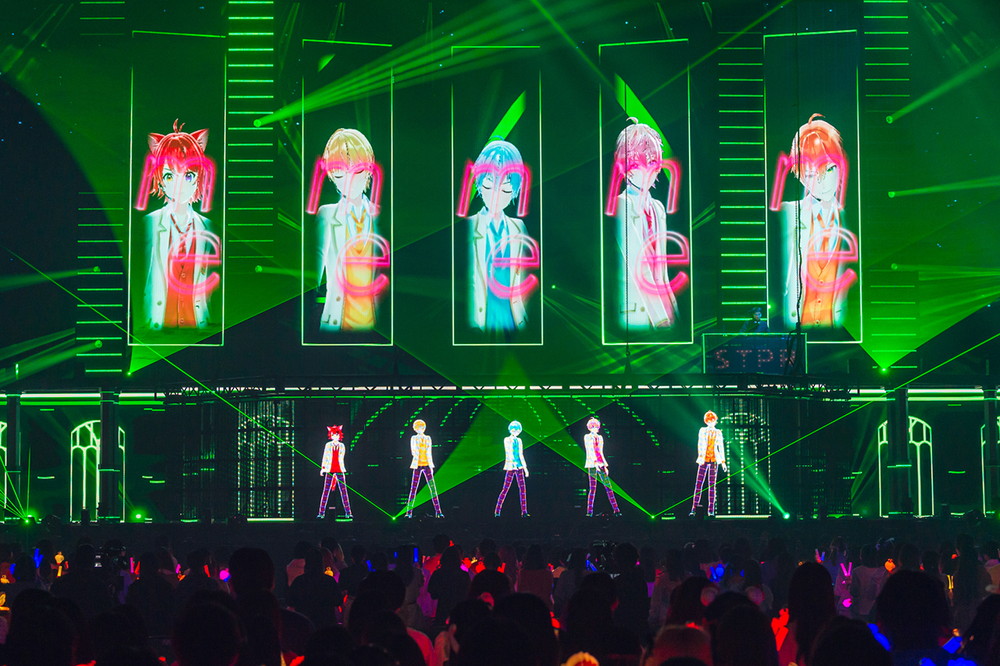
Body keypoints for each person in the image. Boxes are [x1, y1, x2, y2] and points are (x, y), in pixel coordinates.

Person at [769, 113, 857, 330]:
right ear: (799, 176)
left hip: (839, 331)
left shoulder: (852, 220)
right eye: (810, 174)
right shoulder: (786, 214)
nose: (822, 182)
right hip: (794, 329)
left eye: (829, 169)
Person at [134, 119, 219, 332]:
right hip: (157, 327)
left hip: (197, 326)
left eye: (188, 175)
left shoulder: (206, 225)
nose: (179, 185)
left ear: (199, 177)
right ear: (160, 180)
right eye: (170, 176)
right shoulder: (150, 222)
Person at [606, 118, 687, 330]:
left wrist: (672, 309)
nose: (650, 170)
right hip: (637, 312)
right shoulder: (621, 205)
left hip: (664, 309)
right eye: (639, 164)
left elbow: (661, 269)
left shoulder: (658, 209)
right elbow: (638, 266)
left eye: (653, 162)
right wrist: (661, 318)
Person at [307, 127, 387, 332]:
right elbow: (314, 271)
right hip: (336, 323)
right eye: (340, 174)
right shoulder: (326, 215)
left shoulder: (381, 216)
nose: (349, 181)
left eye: (357, 171)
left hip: (376, 326)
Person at [459, 139, 537, 332]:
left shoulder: (518, 227)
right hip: (479, 322)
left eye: (506, 185)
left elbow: (525, 275)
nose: (497, 191)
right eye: (490, 181)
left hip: (513, 320)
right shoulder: (469, 226)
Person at [690, 411, 726, 517]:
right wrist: (701, 456)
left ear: (715, 421)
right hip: (704, 460)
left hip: (714, 460)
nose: (711, 423)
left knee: (712, 486)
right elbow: (700, 444)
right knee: (699, 485)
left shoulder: (718, 432)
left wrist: (723, 462)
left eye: (712, 421)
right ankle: (694, 509)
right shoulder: (702, 430)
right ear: (706, 421)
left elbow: (721, 447)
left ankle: (711, 510)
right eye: (709, 421)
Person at [582, 418, 621, 517]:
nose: (595, 428)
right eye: (593, 426)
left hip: (601, 464)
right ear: (589, 427)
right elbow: (590, 450)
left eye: (596, 426)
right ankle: (589, 512)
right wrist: (595, 462)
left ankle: (616, 510)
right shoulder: (587, 437)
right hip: (592, 464)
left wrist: (605, 465)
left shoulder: (600, 437)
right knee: (592, 488)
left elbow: (600, 451)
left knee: (608, 487)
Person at [405, 419, 444, 518]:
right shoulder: (414, 438)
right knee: (413, 489)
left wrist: (431, 465)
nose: (420, 429)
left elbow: (429, 452)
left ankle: (438, 512)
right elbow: (413, 451)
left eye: (422, 427)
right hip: (417, 465)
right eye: (418, 427)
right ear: (415, 429)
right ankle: (409, 513)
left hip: (427, 465)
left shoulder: (428, 438)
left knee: (433, 489)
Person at [317, 425, 353, 520]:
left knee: (344, 492)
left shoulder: (342, 446)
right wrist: (323, 468)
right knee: (326, 491)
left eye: (337, 435)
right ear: (331, 436)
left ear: (339, 435)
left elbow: (341, 458)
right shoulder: (328, 445)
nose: (335, 436)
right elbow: (325, 457)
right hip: (330, 470)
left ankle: (348, 512)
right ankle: (321, 513)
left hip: (340, 470)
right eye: (333, 435)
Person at [495, 420, 530, 517]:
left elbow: (521, 454)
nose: (516, 432)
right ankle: (497, 511)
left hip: (519, 467)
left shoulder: (519, 440)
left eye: (518, 430)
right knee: (505, 489)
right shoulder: (507, 439)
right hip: (510, 467)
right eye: (514, 430)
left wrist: (525, 468)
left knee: (522, 489)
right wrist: (513, 463)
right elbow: (509, 452)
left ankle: (524, 512)